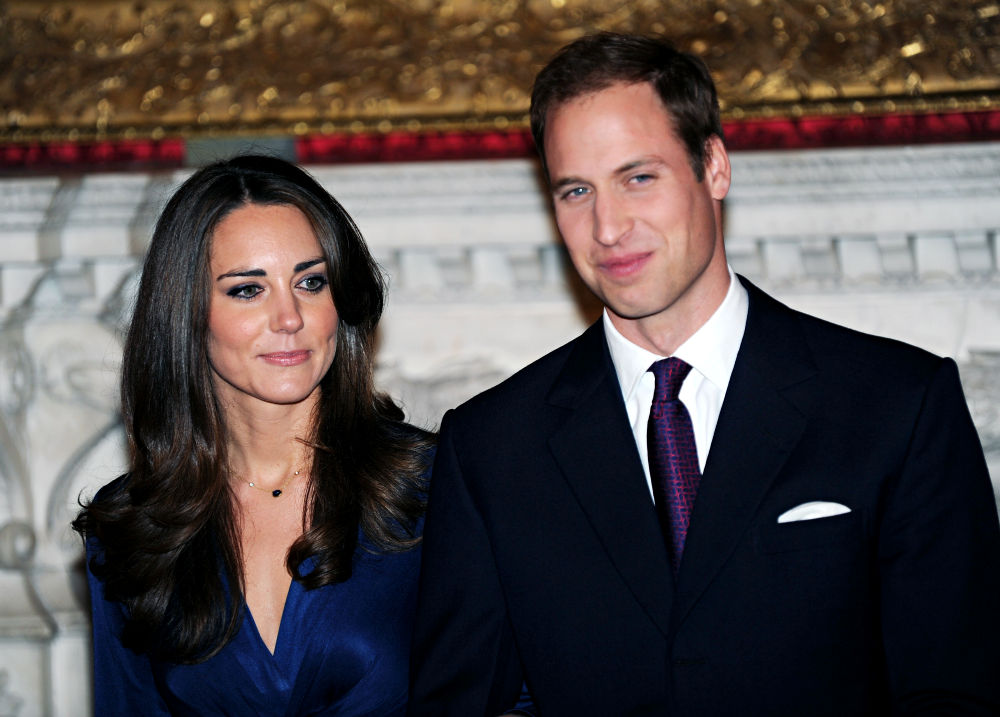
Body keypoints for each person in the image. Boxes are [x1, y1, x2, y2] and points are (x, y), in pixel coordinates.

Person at [408, 32, 1000, 716]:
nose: (607, 226)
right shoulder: (490, 447)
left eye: (638, 177)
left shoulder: (898, 404)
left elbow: (957, 690)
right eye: (576, 190)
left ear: (714, 167)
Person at [73, 154, 435, 715]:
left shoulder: (433, 488)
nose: (289, 316)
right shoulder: (133, 526)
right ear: (188, 315)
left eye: (311, 282)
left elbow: (519, 693)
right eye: (247, 290)